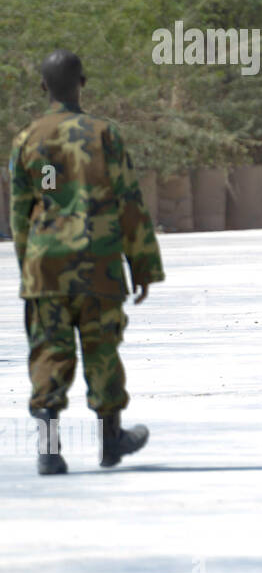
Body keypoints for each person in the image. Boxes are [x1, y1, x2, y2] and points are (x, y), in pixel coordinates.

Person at [9, 50, 163, 474]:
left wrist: (29, 267)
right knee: (102, 349)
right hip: (99, 264)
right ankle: (111, 441)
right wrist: (143, 265)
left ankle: (49, 450)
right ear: (83, 81)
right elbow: (130, 201)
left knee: (48, 353)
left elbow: (20, 213)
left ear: (43, 87)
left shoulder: (28, 139)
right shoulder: (105, 134)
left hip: (46, 268)